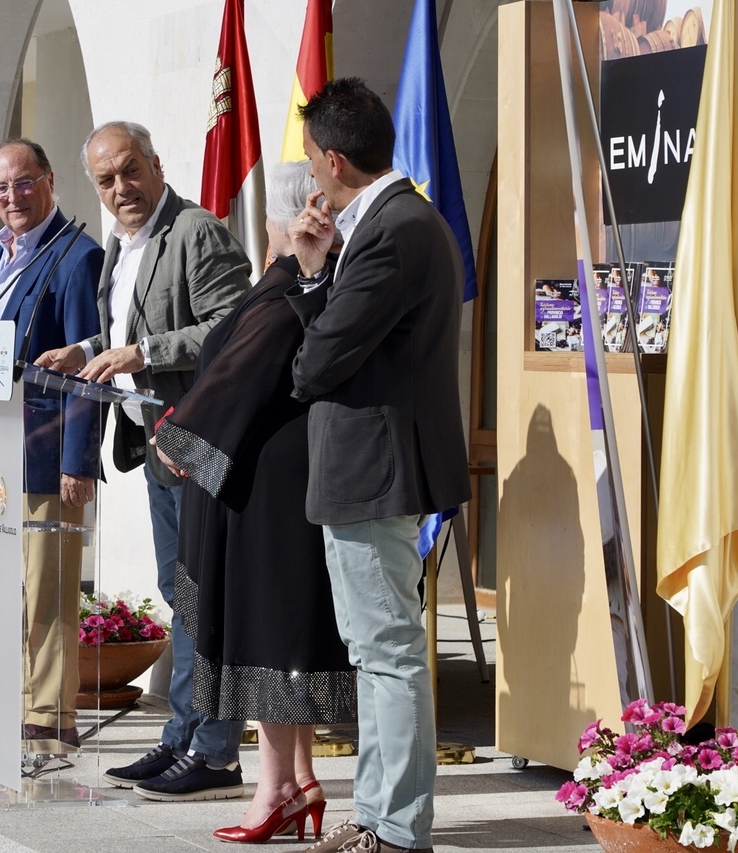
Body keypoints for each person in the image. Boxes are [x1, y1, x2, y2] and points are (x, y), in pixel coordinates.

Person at [35, 120, 251, 802]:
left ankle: (215, 751)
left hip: (200, 445)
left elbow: (234, 324)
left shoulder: (197, 231)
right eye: (106, 179)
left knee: (205, 597)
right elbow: (133, 324)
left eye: (131, 171)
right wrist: (88, 348)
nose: (121, 188)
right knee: (182, 593)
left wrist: (144, 354)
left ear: (157, 164)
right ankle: (183, 737)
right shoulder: (121, 244)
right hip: (156, 446)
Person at [286, 79, 470, 853]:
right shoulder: (395, 220)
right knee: (379, 651)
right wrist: (319, 270)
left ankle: (393, 830)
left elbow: (317, 361)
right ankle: (377, 815)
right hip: (378, 466)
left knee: (387, 654)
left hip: (372, 469)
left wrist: (305, 284)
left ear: (334, 159)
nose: (309, 178)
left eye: (309, 162)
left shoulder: (393, 227)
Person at [152, 160, 355, 843]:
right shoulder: (289, 283)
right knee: (279, 636)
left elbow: (245, 372)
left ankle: (271, 792)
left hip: (268, 486)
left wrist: (180, 435)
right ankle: (297, 782)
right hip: (265, 480)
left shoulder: (291, 287)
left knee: (269, 637)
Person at [0, 138, 104, 750]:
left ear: (51, 180)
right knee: (6, 587)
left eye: (25, 182)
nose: (14, 196)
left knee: (48, 588)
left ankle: (52, 716)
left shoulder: (77, 256)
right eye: (2, 187)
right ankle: (12, 707)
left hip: (44, 452)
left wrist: (77, 460)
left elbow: (88, 369)